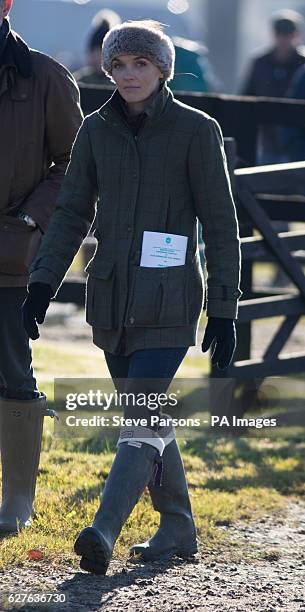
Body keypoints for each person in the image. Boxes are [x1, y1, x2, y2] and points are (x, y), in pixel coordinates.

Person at [22, 20, 242, 575]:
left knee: (140, 415)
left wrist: (224, 308)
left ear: (162, 67)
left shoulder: (197, 130)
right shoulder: (95, 131)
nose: (127, 75)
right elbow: (72, 211)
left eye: (139, 63)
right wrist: (43, 283)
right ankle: (178, 526)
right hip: (113, 300)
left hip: (170, 302)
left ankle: (104, 529)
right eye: (118, 65)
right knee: (148, 420)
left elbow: (220, 224)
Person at [0, 0, 83, 536]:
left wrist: (30, 218)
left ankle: (16, 501)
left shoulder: (46, 78)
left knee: (10, 367)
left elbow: (76, 163)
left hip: (6, 254)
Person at [241, 10, 305, 164]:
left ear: (295, 35)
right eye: (280, 33)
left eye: (288, 33)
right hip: (266, 140)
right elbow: (246, 95)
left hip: (298, 142)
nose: (284, 38)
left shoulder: (302, 64)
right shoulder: (260, 63)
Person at [73, 9, 121, 87]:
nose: (97, 59)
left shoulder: (119, 81)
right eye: (94, 53)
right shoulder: (82, 81)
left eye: (101, 54)